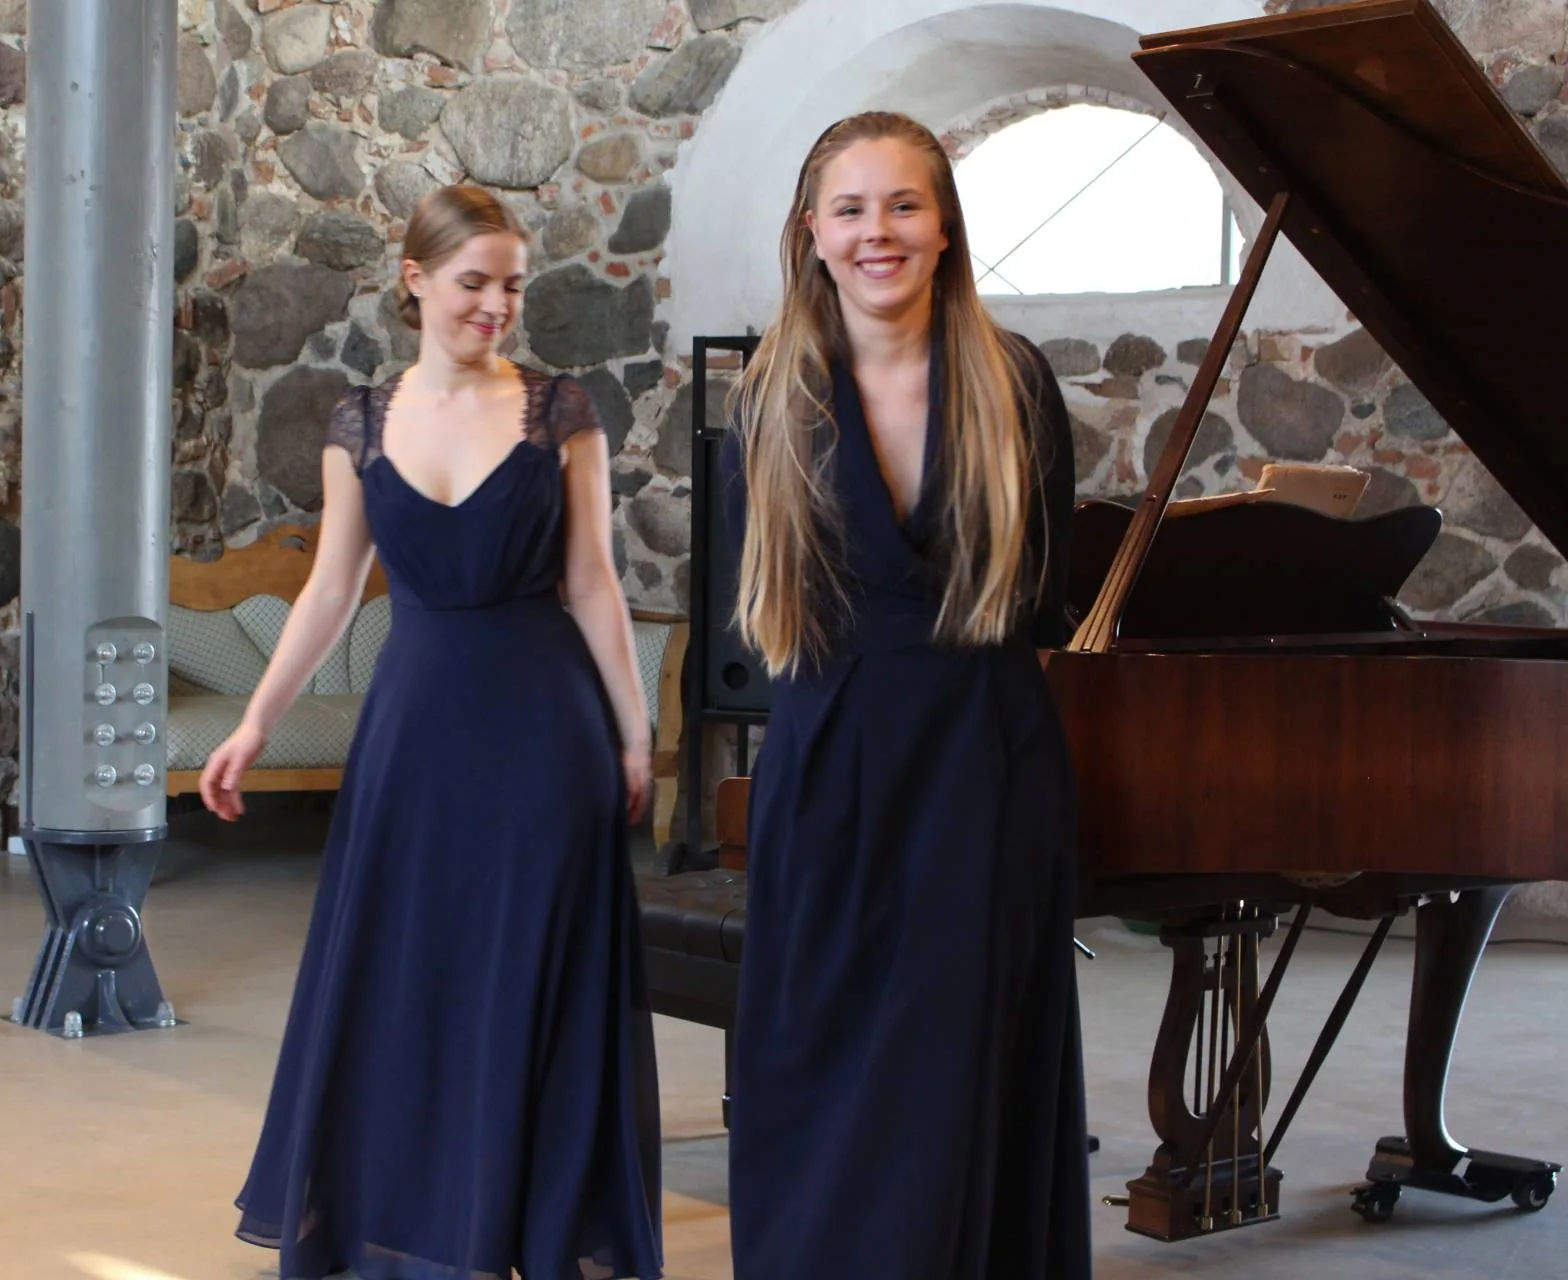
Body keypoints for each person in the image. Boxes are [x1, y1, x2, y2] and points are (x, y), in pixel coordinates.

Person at [201, 183, 664, 1280]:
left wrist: (636, 736)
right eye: (473, 283)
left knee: (533, 975)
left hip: (547, 732)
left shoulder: (562, 410)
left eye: (512, 285)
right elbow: (328, 591)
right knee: (408, 977)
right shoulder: (357, 421)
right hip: (413, 739)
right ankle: (424, 1224)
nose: (495, 305)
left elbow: (594, 584)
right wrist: (256, 723)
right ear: (414, 280)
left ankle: (529, 1226)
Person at [720, 111, 1091, 1278]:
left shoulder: (1014, 380)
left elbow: (1042, 594)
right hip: (826, 757)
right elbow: (766, 599)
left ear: (945, 228)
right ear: (811, 231)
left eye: (903, 205)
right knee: (819, 1063)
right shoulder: (771, 394)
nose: (876, 231)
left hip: (985, 759)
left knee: (959, 1071)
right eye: (850, 208)